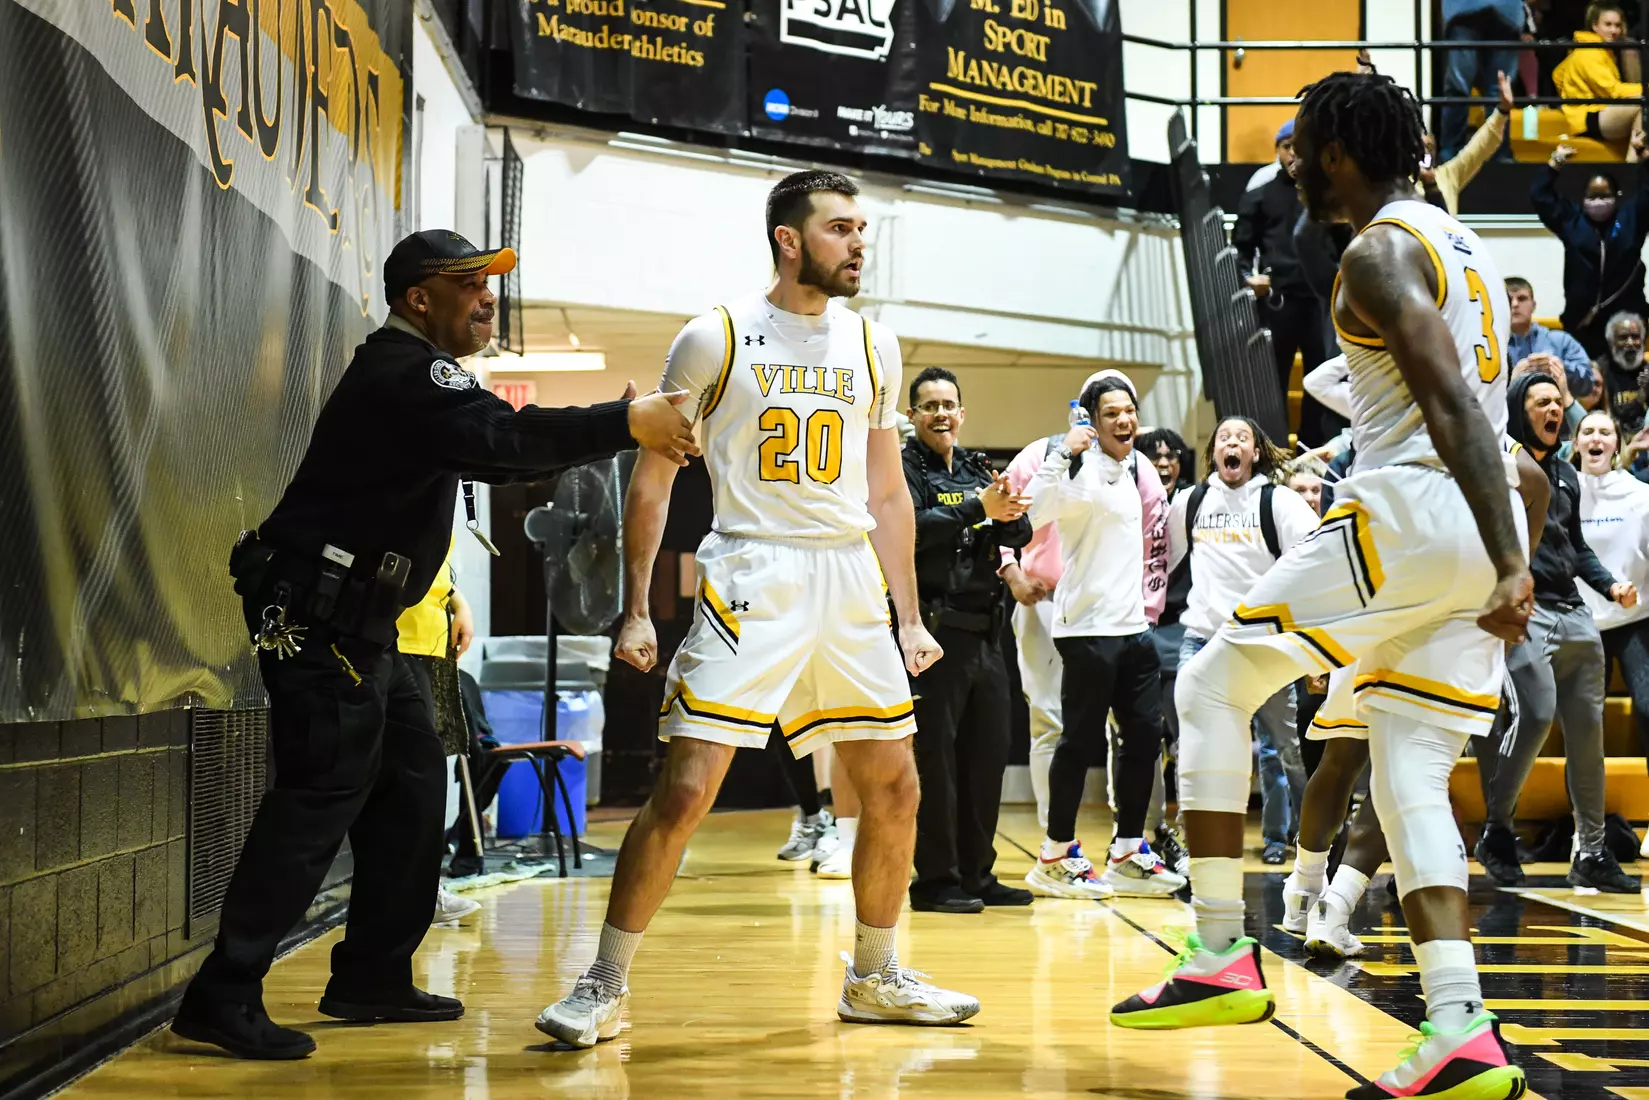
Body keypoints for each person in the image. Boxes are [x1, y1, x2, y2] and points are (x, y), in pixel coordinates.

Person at [170, 230, 698, 1060]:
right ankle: (222, 993)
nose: (488, 297)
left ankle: (372, 976)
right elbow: (506, 441)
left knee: (413, 788)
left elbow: (489, 456)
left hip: (367, 625)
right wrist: (628, 420)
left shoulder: (424, 382)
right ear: (420, 300)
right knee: (319, 798)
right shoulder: (405, 371)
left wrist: (613, 426)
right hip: (317, 621)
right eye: (469, 285)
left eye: (491, 284)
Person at [1114, 72, 1535, 1100]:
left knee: (1209, 685)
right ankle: (1455, 1030)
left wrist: (1510, 556)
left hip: (1417, 512)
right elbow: (1494, 429)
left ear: (1338, 149)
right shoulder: (1459, 243)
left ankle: (1217, 949)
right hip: (1475, 528)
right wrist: (1510, 544)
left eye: (1297, 146)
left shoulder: (1377, 249)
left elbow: (1447, 401)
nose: (1287, 164)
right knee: (1406, 775)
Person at [534, 170, 978, 1049]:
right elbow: (653, 475)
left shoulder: (875, 346)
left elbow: (888, 494)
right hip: (751, 574)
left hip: (848, 576)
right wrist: (636, 607)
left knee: (893, 784)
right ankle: (603, 982)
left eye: (862, 229)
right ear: (789, 239)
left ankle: (875, 974)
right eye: (841, 228)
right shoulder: (715, 336)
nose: (859, 243)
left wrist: (910, 614)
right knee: (688, 786)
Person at [1474, 374, 1641, 892]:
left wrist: (1610, 586)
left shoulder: (1566, 473)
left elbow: (1577, 547)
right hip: (1528, 613)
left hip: (1574, 613)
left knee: (1588, 737)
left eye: (1556, 402)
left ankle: (1591, 851)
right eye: (1540, 401)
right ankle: (1497, 830)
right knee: (1537, 712)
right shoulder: (1502, 470)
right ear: (1520, 412)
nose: (1552, 408)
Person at [1023, 376, 1186, 900]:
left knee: (1144, 736)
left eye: (1130, 411)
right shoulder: (1075, 465)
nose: (1124, 421)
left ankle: (1128, 850)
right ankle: (1054, 855)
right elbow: (1032, 512)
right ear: (1091, 420)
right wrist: (1059, 454)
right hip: (1086, 629)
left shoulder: (1139, 467)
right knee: (1078, 742)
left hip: (1133, 627)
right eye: (1111, 412)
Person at [902, 366, 1035, 913]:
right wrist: (981, 509)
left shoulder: (978, 466)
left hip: (988, 633)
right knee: (937, 763)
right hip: (935, 635)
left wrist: (1002, 513)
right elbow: (909, 527)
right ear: (912, 416)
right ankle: (935, 882)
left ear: (961, 413)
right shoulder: (903, 467)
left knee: (987, 758)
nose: (940, 413)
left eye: (948, 404)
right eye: (928, 405)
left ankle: (978, 875)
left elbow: (1019, 530)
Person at [1169, 418, 1320, 865]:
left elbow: (1317, 558)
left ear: (1255, 453)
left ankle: (1309, 843)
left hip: (1263, 645)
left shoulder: (1279, 502)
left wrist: (1310, 647)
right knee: (1193, 746)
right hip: (1202, 641)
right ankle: (1194, 844)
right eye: (1223, 438)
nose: (1232, 443)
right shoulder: (1190, 502)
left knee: (1287, 751)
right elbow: (1161, 557)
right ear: (1214, 452)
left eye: (1242, 438)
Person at [394, 540, 482, 923]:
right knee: (407, 781)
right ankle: (413, 893)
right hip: (390, 638)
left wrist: (457, 598)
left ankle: (420, 891)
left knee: (420, 780)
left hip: (426, 640)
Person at [1576, 410, 1649, 850]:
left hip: (1635, 619)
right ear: (1577, 442)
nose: (1597, 438)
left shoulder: (1641, 495)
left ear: (1618, 444)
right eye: (1588, 432)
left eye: (1605, 432)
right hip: (1581, 621)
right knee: (1585, 722)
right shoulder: (1562, 490)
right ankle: (1587, 831)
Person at [1234, 121, 1333, 412]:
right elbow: (1240, 247)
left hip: (1320, 304)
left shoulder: (1327, 195)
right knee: (1271, 382)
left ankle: (1316, 452)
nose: (1293, 153)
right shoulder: (1261, 194)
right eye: (1286, 146)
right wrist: (1247, 280)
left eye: (1299, 146)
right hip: (1278, 303)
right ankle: (1270, 451)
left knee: (1322, 382)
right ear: (1277, 150)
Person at [1533, 140, 1649, 357]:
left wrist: (1644, 158)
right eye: (1592, 196)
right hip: (1582, 325)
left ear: (1616, 197)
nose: (1598, 201)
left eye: (1604, 196)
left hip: (1627, 323)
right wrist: (1554, 163)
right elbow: (1541, 197)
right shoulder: (1572, 221)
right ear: (1583, 198)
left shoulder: (1632, 219)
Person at [1553, 2, 1646, 157]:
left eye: (1617, 25)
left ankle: (1634, 166)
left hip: (1595, 112)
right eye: (1608, 24)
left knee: (1642, 104)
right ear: (1595, 25)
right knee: (1640, 103)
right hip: (1587, 118)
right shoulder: (1590, 51)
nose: (1614, 30)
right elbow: (1614, 90)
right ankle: (1633, 169)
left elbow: (1557, 74)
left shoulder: (1597, 49)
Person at [1438, 1, 1523, 162]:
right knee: (1470, 88)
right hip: (1486, 11)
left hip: (1471, 10)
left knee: (1467, 88)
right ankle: (1495, 153)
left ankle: (1452, 152)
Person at [1424, 71, 1516, 213]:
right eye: (1420, 147)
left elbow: (1479, 147)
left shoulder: (1447, 175)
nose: (1425, 152)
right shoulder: (1397, 184)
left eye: (1429, 147)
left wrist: (1502, 110)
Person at [1506, 276, 1595, 399]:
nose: (1515, 304)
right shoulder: (1492, 345)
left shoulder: (1561, 341)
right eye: (1509, 300)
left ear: (1533, 305)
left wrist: (1558, 367)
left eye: (1522, 298)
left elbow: (1588, 384)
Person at [1602, 311, 1649, 431]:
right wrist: (1643, 395)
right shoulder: (1601, 372)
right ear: (1611, 343)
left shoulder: (1647, 370)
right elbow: (1611, 419)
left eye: (1635, 337)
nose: (1630, 343)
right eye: (1623, 337)